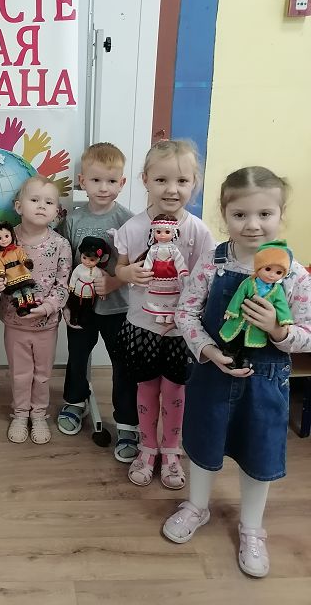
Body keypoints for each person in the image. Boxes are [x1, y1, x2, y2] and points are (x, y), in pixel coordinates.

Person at [162, 167, 311, 578]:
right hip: (212, 375)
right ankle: (197, 506)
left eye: (265, 214)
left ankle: (251, 528)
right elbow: (186, 312)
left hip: (266, 383)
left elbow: (307, 334)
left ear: (281, 215)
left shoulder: (295, 275)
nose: (252, 225)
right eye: (240, 214)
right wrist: (208, 350)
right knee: (203, 444)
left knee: (257, 452)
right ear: (224, 214)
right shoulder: (213, 263)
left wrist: (278, 330)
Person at [114, 139, 215, 489]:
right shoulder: (132, 228)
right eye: (161, 180)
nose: (172, 189)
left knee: (175, 392)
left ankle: (172, 450)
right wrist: (128, 273)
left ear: (194, 183)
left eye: (182, 181)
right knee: (145, 389)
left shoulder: (199, 231)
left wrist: (191, 314)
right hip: (142, 325)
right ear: (145, 179)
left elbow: (206, 279)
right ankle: (147, 448)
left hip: (180, 330)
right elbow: (119, 268)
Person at [56, 142, 138, 463]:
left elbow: (138, 266)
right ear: (82, 181)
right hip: (81, 306)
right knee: (77, 356)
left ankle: (128, 422)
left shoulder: (129, 221)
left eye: (111, 181)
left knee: (123, 365)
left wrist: (115, 280)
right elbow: (64, 263)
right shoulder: (73, 220)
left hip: (119, 308)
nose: (104, 188)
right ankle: (75, 402)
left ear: (122, 183)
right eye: (96, 180)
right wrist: (65, 302)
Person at [0, 174, 72, 445]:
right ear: (18, 206)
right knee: (20, 373)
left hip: (46, 324)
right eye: (34, 199)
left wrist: (48, 307)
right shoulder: (5, 239)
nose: (41, 206)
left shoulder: (61, 244)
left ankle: (38, 415)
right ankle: (20, 413)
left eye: (49, 202)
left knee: (42, 374)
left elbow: (63, 285)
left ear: (57, 211)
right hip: (15, 322)